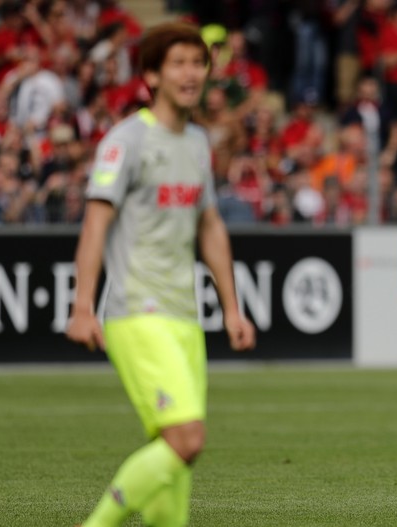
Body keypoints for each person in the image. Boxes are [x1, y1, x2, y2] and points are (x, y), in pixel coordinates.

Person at [65, 22, 256, 526]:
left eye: (198, 63)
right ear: (152, 74)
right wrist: (83, 306)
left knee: (176, 459)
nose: (192, 73)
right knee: (187, 438)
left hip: (185, 316)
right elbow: (95, 224)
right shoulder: (126, 140)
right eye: (179, 63)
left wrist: (232, 307)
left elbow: (210, 226)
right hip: (137, 309)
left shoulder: (196, 142)